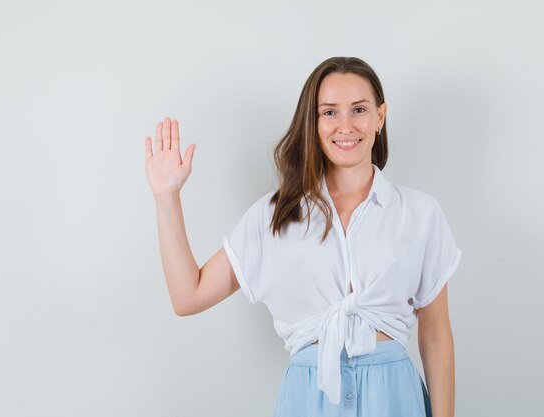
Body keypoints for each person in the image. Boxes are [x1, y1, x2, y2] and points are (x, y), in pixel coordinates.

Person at [144, 56, 462, 417]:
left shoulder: (420, 214)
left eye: (359, 109)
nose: (345, 126)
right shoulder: (274, 216)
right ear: (313, 122)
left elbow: (435, 337)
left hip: (394, 399)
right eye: (329, 112)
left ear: (380, 116)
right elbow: (188, 296)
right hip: (310, 400)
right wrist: (166, 197)